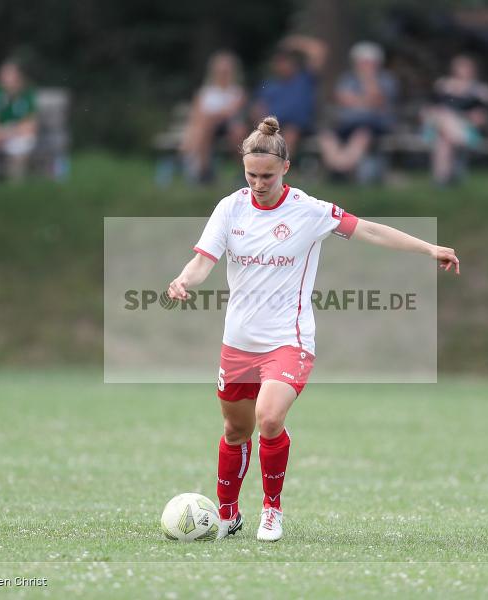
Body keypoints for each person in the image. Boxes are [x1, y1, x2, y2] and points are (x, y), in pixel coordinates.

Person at [166, 116, 460, 542]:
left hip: (289, 340)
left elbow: (370, 230)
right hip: (238, 343)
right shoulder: (230, 208)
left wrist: (428, 247)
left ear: (286, 168)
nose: (258, 183)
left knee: (269, 419)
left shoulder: (310, 211)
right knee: (236, 430)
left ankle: (271, 510)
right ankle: (227, 512)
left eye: (267, 175)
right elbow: (202, 262)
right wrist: (183, 280)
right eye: (251, 174)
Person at [318, 41, 398, 181]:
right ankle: (338, 167)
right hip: (346, 123)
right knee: (327, 136)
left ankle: (341, 171)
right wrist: (365, 101)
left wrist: (368, 80)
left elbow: (377, 100)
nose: (363, 65)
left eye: (367, 62)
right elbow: (342, 98)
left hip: (374, 124)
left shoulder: (386, 79)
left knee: (361, 135)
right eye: (361, 62)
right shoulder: (347, 78)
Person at [422, 55, 488, 185]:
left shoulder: (482, 90)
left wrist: (478, 116)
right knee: (444, 130)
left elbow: (485, 115)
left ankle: (441, 180)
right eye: (460, 67)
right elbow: (429, 107)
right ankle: (443, 180)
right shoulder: (443, 85)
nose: (464, 70)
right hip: (442, 128)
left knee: (444, 137)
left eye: (466, 67)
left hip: (467, 131)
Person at [252, 35, 327, 159]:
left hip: (299, 126)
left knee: (290, 133)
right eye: (279, 62)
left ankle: (277, 169)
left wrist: (296, 43)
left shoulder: (305, 79)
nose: (282, 65)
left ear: (294, 63)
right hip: (272, 126)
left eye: (286, 61)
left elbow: (319, 51)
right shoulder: (269, 84)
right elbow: (259, 107)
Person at [180, 51, 247, 183]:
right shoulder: (205, 92)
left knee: (236, 131)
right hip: (207, 128)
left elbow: (232, 112)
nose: (223, 75)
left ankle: (243, 171)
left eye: (226, 71)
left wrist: (213, 115)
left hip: (228, 126)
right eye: (220, 71)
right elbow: (196, 115)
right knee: (204, 127)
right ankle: (204, 170)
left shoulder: (237, 92)